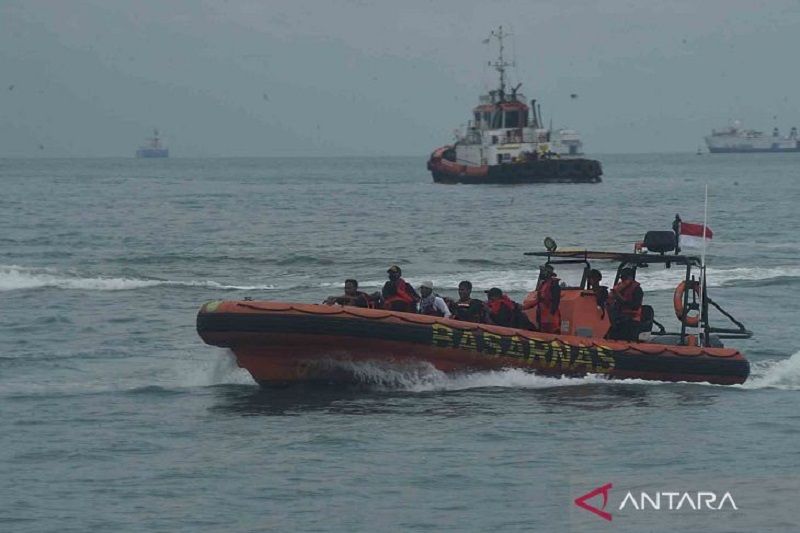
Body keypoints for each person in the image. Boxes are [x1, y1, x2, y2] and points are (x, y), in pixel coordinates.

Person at [606, 267, 644, 341]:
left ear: (630, 277)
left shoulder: (637, 290)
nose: (622, 280)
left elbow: (635, 306)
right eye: (622, 278)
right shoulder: (620, 288)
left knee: (618, 322)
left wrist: (620, 298)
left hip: (632, 317)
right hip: (619, 315)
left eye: (624, 278)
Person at [534, 264, 561, 333]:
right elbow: (538, 301)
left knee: (553, 331)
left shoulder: (554, 285)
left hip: (551, 317)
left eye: (543, 272)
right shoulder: (542, 284)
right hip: (542, 316)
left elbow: (555, 301)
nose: (542, 273)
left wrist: (551, 314)